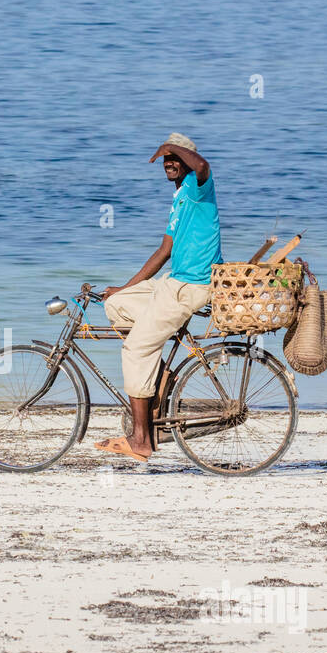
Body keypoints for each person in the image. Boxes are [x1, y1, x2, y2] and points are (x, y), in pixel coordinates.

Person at [94, 132, 222, 462]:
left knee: (136, 348)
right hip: (171, 281)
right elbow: (164, 250)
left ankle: (141, 441)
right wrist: (125, 287)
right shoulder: (180, 199)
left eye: (175, 157)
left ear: (186, 161)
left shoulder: (198, 186)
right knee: (116, 305)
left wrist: (171, 147)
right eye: (166, 158)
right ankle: (159, 377)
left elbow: (204, 164)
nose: (169, 162)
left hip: (190, 287)